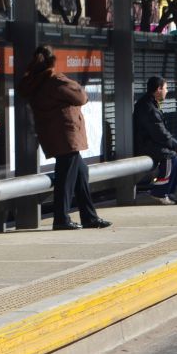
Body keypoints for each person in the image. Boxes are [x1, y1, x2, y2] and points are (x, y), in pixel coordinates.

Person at [18, 45, 111, 231]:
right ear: (52, 61)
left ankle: (89, 217)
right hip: (67, 134)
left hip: (53, 134)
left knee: (81, 173)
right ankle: (61, 218)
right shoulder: (55, 79)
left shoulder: (35, 81)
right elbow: (81, 97)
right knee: (65, 178)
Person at [133, 77, 177, 205]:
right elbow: (160, 133)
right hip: (145, 144)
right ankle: (159, 192)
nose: (167, 91)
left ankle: (168, 192)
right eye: (166, 88)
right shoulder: (148, 107)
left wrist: (176, 147)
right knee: (170, 156)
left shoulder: (151, 103)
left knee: (176, 156)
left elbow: (160, 132)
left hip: (151, 142)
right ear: (158, 89)